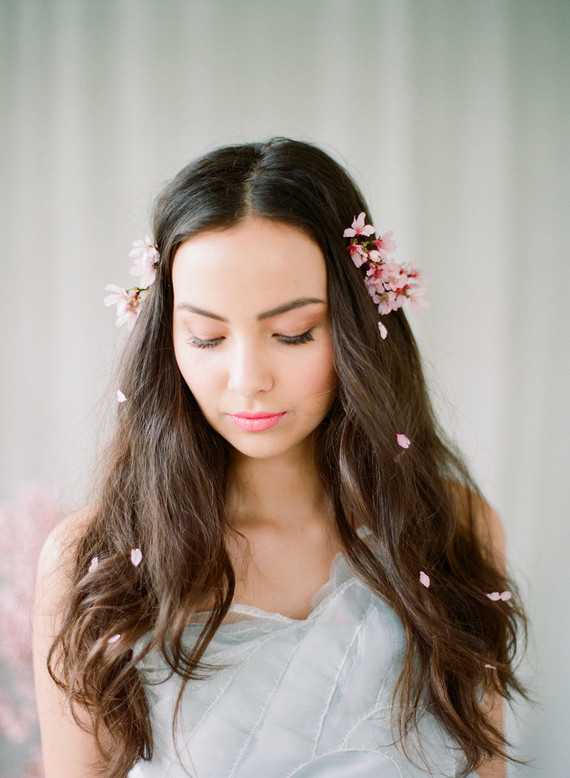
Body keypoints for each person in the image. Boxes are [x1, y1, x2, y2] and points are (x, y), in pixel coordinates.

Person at [33, 138, 527, 778]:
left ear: (357, 327)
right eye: (206, 337)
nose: (246, 379)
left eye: (293, 333)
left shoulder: (452, 528)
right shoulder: (95, 558)